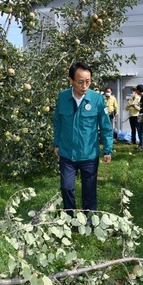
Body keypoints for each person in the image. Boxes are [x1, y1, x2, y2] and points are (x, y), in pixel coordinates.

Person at [53, 62, 113, 218]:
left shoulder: (97, 99)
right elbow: (58, 121)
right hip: (67, 153)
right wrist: (56, 143)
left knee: (89, 190)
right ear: (71, 80)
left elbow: (105, 125)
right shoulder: (63, 96)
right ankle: (69, 219)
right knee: (66, 188)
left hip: (89, 155)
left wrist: (108, 148)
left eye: (88, 81)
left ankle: (89, 220)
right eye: (80, 82)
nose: (84, 85)